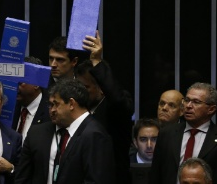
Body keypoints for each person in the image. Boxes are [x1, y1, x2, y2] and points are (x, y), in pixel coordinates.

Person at [15, 79, 115, 184]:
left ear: (71, 104)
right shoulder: (37, 133)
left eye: (56, 104)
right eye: (50, 105)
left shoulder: (95, 136)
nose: (51, 110)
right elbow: (22, 178)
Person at [150, 82, 217, 184]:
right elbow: (155, 175)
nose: (188, 106)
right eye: (187, 100)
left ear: (211, 109)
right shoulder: (166, 134)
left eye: (196, 102)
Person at [77, 31, 134, 183]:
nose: (78, 92)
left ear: (102, 88)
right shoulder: (78, 111)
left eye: (85, 87)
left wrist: (96, 61)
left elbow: (117, 100)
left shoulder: (115, 109)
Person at [12, 56, 50, 142]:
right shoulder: (9, 107)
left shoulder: (50, 112)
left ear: (36, 84)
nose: (15, 86)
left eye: (20, 82)